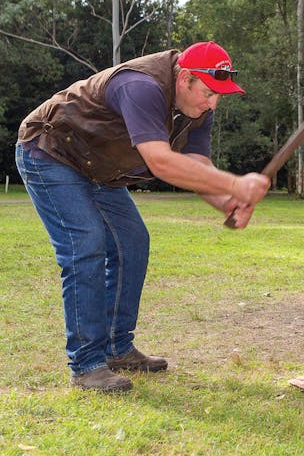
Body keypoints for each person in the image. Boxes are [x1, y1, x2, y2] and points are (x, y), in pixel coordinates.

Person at [15, 41, 270, 392]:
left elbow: (197, 165)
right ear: (185, 79)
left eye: (218, 96)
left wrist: (227, 201)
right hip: (51, 152)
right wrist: (237, 183)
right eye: (209, 93)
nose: (212, 104)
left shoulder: (198, 111)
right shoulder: (141, 85)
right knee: (85, 244)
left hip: (99, 169)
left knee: (133, 241)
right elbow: (160, 161)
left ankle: (118, 349)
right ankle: (87, 365)